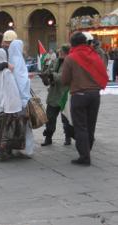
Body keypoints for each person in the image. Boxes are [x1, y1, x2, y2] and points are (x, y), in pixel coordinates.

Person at [62, 32, 108, 166]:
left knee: (80, 126)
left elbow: (65, 80)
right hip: (95, 95)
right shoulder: (94, 55)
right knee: (91, 124)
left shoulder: (71, 58)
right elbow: (102, 72)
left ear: (73, 43)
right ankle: (88, 150)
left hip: (79, 95)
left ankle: (84, 156)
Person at [40, 44, 73, 146]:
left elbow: (63, 77)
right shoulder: (55, 61)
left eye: (62, 52)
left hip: (65, 94)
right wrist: (44, 76)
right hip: (54, 94)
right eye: (59, 52)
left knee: (66, 118)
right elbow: (48, 72)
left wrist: (52, 75)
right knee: (50, 117)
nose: (60, 53)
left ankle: (68, 137)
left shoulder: (70, 62)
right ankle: (48, 137)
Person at [8, 40, 35, 157]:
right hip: (21, 98)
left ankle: (14, 147)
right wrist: (28, 79)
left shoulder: (10, 59)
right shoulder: (19, 60)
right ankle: (26, 149)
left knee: (13, 123)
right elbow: (21, 81)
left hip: (12, 97)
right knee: (24, 123)